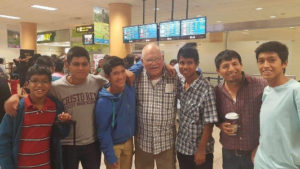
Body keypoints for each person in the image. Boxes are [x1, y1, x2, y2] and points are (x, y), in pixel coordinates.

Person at [4, 46, 108, 169]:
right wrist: (17, 97)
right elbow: (37, 93)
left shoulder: (98, 81)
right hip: (67, 145)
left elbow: (115, 84)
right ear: (67, 65)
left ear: (89, 65)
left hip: (92, 143)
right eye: (76, 64)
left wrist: (128, 73)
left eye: (84, 64)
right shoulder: (56, 87)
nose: (80, 68)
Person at [0, 65, 71, 169]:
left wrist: (65, 123)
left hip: (46, 165)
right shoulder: (17, 108)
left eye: (45, 81)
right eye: (35, 81)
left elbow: (61, 135)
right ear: (27, 84)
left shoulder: (55, 107)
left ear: (50, 85)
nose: (39, 85)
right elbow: (3, 141)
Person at [214, 50, 267, 169]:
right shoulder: (217, 92)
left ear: (241, 65)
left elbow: (272, 118)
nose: (231, 69)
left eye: (234, 64)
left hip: (255, 150)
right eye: (225, 66)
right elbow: (215, 116)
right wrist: (221, 125)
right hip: (229, 152)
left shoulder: (261, 85)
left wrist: (262, 146)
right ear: (218, 71)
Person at [129, 43, 179, 169]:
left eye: (157, 59)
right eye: (149, 60)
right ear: (142, 61)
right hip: (143, 140)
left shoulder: (174, 77)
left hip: (166, 141)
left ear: (162, 58)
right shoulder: (135, 78)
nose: (154, 63)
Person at [252, 41, 300, 169]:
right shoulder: (267, 91)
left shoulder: (295, 91)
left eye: (272, 60)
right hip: (261, 163)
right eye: (261, 61)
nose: (265, 65)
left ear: (284, 63)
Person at [175, 47, 218, 169]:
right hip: (182, 147)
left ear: (197, 64)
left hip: (199, 150)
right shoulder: (181, 83)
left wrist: (201, 149)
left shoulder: (206, 89)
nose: (185, 67)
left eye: (190, 63)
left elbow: (209, 123)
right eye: (182, 63)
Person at [95, 56, 138, 169]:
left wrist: (164, 65)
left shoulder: (128, 86)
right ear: (107, 77)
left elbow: (143, 63)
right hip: (113, 146)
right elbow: (103, 132)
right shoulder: (103, 102)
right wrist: (110, 156)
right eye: (115, 73)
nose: (120, 77)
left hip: (128, 141)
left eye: (123, 71)